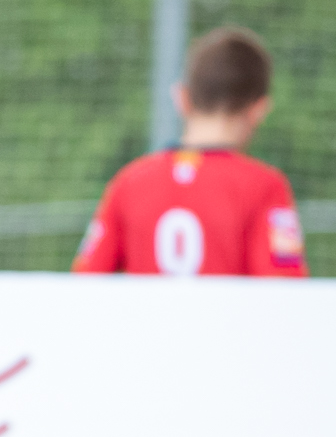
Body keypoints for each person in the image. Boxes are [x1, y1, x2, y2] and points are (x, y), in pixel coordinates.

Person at [74, 26, 304, 278]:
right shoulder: (266, 187)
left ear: (182, 98)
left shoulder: (128, 183)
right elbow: (285, 290)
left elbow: (85, 282)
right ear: (259, 109)